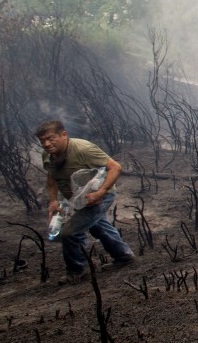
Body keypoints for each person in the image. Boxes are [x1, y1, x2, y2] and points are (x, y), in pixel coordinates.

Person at [37, 120, 135, 285]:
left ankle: (76, 271)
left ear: (63, 135)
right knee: (98, 225)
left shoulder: (83, 149)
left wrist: (100, 192)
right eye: (42, 141)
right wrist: (53, 201)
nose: (46, 144)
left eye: (50, 138)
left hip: (99, 196)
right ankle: (124, 256)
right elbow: (51, 177)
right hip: (78, 198)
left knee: (70, 232)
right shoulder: (48, 155)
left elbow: (115, 167)